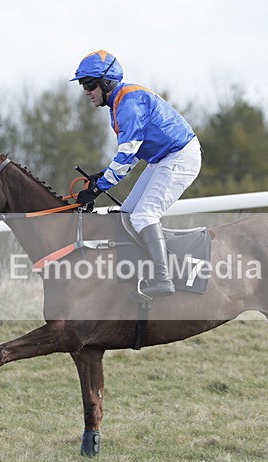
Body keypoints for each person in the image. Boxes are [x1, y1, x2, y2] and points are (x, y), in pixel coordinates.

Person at [71, 50, 202, 297]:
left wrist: (99, 188)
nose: (86, 91)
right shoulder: (118, 103)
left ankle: (163, 279)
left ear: (106, 82)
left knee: (143, 216)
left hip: (179, 156)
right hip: (161, 159)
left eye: (89, 84)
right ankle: (139, 275)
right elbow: (132, 156)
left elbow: (127, 153)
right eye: (82, 85)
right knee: (127, 215)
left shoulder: (128, 104)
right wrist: (103, 177)